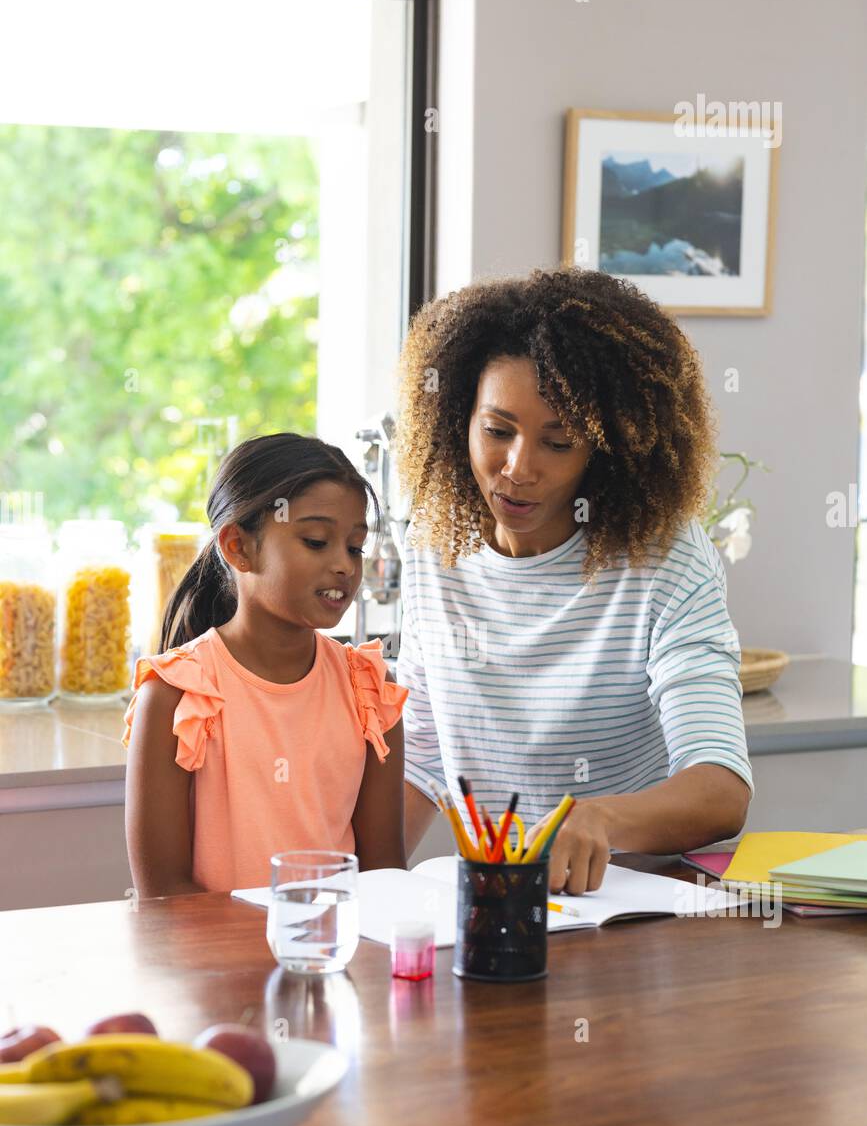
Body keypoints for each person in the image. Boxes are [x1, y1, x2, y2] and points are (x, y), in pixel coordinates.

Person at [395, 265, 753, 895]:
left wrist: (601, 818)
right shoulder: (433, 542)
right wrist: (354, 883)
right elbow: (423, 758)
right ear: (459, 417)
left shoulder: (664, 558)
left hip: (633, 914)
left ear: (606, 450)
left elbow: (720, 788)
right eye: (497, 431)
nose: (518, 468)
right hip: (501, 905)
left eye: (558, 443)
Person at [123, 433, 407, 896]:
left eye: (355, 546)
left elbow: (383, 876)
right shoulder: (174, 696)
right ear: (238, 547)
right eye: (316, 541)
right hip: (211, 966)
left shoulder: (370, 692)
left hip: (330, 958)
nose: (344, 565)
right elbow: (164, 896)